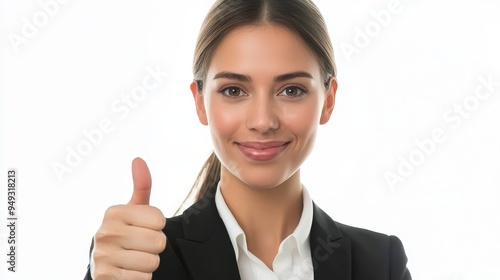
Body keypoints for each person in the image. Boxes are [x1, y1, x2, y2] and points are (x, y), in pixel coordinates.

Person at [84, 0, 411, 279]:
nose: (262, 121)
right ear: (200, 103)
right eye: (233, 90)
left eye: (292, 90)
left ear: (328, 100)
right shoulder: (141, 259)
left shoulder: (380, 264)